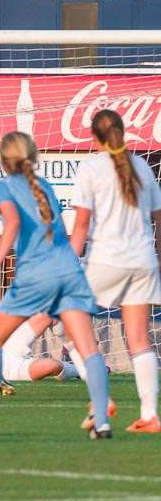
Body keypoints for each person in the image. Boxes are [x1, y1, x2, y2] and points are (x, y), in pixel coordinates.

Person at [0, 131, 112, 439]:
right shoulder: (44, 186)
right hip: (67, 271)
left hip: (36, 276)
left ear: (3, 160)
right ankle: (101, 421)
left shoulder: (4, 186)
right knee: (87, 347)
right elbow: (63, 229)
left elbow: (12, 223)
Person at [70, 109, 161, 434]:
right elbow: (158, 219)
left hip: (105, 260)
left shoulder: (91, 167)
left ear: (93, 137)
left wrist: (66, 263)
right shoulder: (142, 166)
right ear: (124, 132)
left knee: (73, 325)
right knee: (139, 338)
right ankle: (150, 415)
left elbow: (81, 224)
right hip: (143, 260)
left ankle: (101, 398)